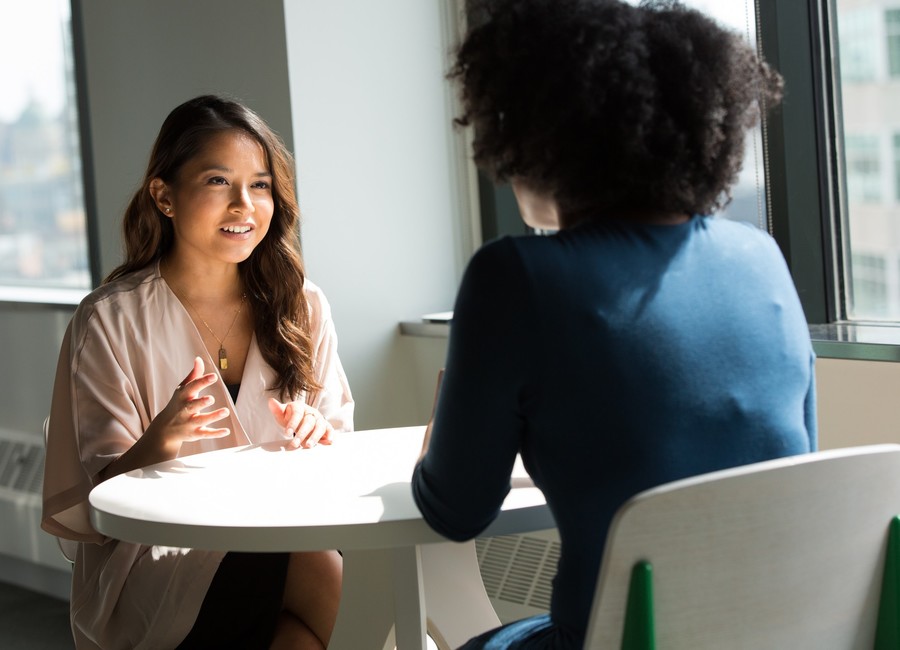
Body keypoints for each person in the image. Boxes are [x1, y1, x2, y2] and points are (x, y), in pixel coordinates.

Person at [411, 1, 817, 648]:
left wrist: (442, 441)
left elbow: (456, 511)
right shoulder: (761, 259)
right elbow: (792, 466)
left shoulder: (515, 276)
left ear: (540, 137)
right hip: (783, 634)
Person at [42, 95, 354, 649]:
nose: (245, 205)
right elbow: (99, 506)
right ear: (164, 196)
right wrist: (157, 444)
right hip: (155, 563)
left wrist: (319, 432)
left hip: (284, 535)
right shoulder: (110, 320)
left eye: (260, 185)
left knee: (301, 633)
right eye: (218, 182)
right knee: (321, 571)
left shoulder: (302, 305)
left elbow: (341, 451)